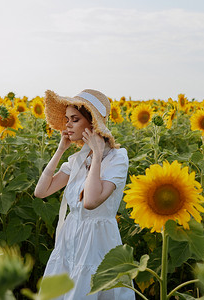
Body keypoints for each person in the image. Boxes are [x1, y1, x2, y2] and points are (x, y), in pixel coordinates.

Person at [34, 89, 135, 300]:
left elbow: (90, 202)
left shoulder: (117, 159)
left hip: (97, 240)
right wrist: (61, 149)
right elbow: (41, 191)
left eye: (75, 119)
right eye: (66, 119)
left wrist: (97, 155)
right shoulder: (78, 159)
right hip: (71, 236)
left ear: (92, 124)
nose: (67, 125)